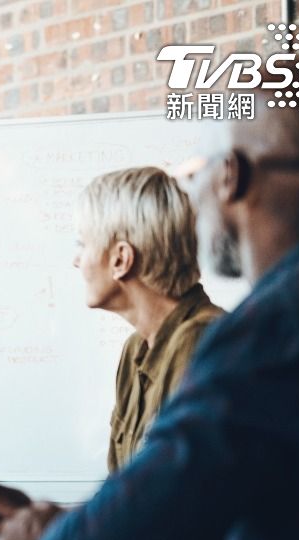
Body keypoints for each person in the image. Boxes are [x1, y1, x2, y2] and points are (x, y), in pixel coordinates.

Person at [0, 66, 299, 540]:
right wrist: (53, 522)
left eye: (197, 173)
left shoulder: (279, 329)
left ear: (232, 178)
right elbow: (203, 518)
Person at [73, 167, 224, 471]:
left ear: (120, 259)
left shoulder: (202, 343)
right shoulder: (134, 351)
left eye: (83, 245)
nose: (76, 260)